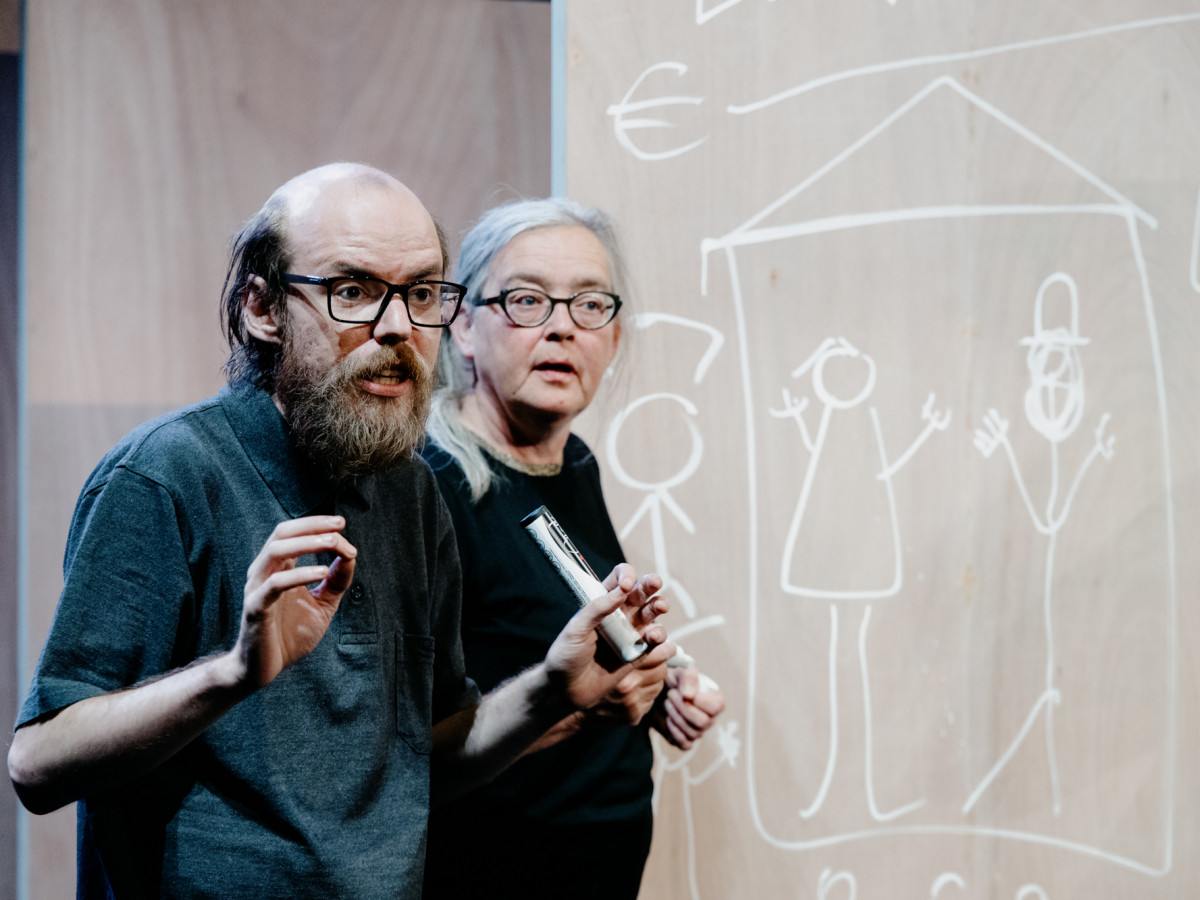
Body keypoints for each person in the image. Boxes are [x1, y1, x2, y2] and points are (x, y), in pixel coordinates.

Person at [7, 164, 675, 899]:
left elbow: (425, 762)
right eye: (353, 291)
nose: (396, 327)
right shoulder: (167, 475)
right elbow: (38, 763)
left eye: (420, 293)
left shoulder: (411, 489)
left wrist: (551, 690)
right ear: (263, 308)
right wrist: (233, 672)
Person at [422, 197, 725, 899]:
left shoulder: (573, 463)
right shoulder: (429, 488)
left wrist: (661, 687)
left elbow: (556, 630)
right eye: (527, 300)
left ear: (612, 339)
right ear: (464, 327)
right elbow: (402, 755)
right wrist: (585, 706)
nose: (562, 326)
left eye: (589, 305)